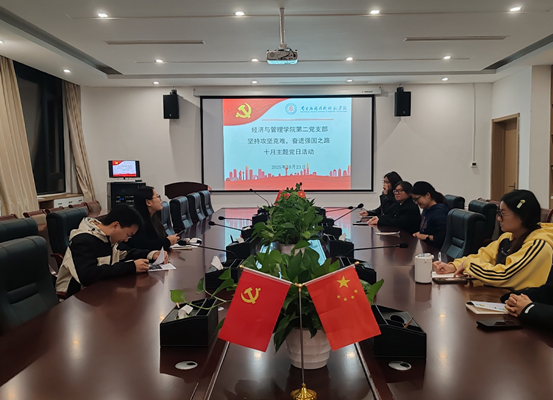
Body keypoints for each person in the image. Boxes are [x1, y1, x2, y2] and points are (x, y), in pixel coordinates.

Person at [433, 190, 553, 291]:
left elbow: (504, 276)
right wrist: (454, 266)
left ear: (523, 216)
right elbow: (483, 256)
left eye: (503, 213)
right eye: (498, 213)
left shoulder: (538, 245)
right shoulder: (507, 237)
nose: (498, 218)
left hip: (523, 304)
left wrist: (469, 264)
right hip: (503, 297)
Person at [56, 204, 168, 297]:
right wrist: (131, 267)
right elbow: (87, 276)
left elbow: (126, 253)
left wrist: (152, 255)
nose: (126, 239)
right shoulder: (82, 241)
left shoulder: (108, 237)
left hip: (101, 291)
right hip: (76, 298)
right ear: (115, 226)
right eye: (127, 235)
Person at [126, 186, 179, 251]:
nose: (160, 200)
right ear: (148, 202)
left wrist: (170, 239)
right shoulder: (137, 220)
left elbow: (162, 237)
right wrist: (167, 242)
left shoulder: (153, 216)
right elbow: (142, 245)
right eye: (158, 196)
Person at [411, 181, 449, 248]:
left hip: (435, 249)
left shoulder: (439, 213)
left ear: (428, 195)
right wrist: (419, 234)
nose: (416, 203)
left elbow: (443, 238)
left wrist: (426, 237)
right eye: (414, 200)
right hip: (426, 247)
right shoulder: (426, 209)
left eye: (417, 199)